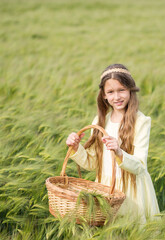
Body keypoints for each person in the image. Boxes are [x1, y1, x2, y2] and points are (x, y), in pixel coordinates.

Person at [66, 63, 160, 223]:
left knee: (133, 230)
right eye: (110, 92)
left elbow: (140, 166)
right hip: (105, 189)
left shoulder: (141, 122)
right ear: (104, 95)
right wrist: (76, 148)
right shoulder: (99, 122)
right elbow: (93, 163)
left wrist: (119, 152)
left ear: (130, 90)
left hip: (132, 191)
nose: (116, 97)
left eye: (121, 90)